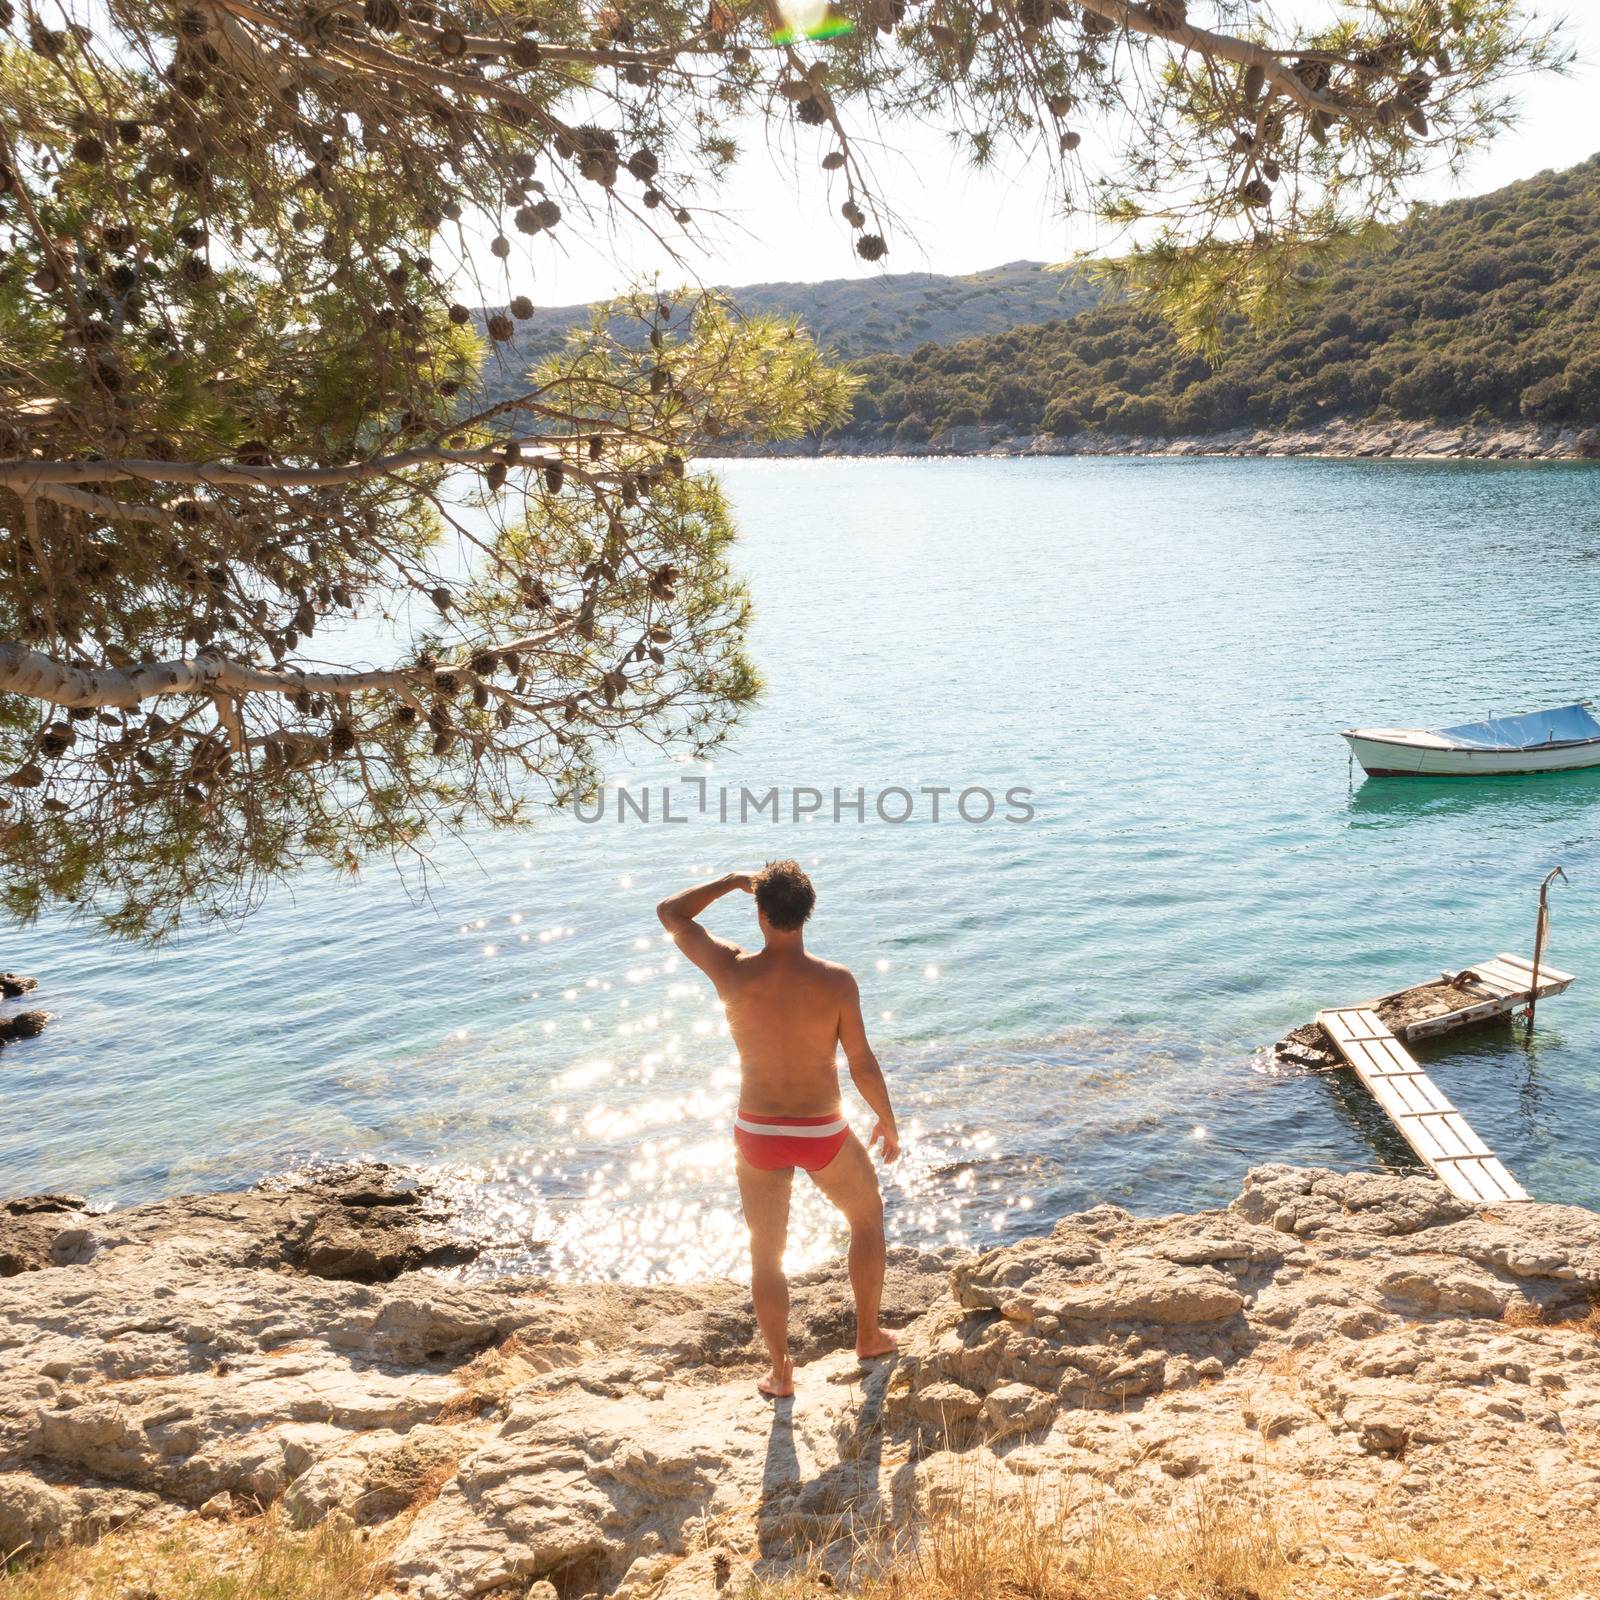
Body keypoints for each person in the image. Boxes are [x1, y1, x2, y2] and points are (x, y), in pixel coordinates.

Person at [656, 859, 900, 1398]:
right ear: (807, 913)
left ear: (761, 912)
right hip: (822, 1130)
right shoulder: (836, 981)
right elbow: (861, 1062)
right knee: (867, 1216)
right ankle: (867, 1334)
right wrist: (886, 1119)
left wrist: (729, 883)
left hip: (758, 1131)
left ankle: (781, 1369)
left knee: (766, 1252)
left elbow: (670, 913)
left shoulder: (732, 969)